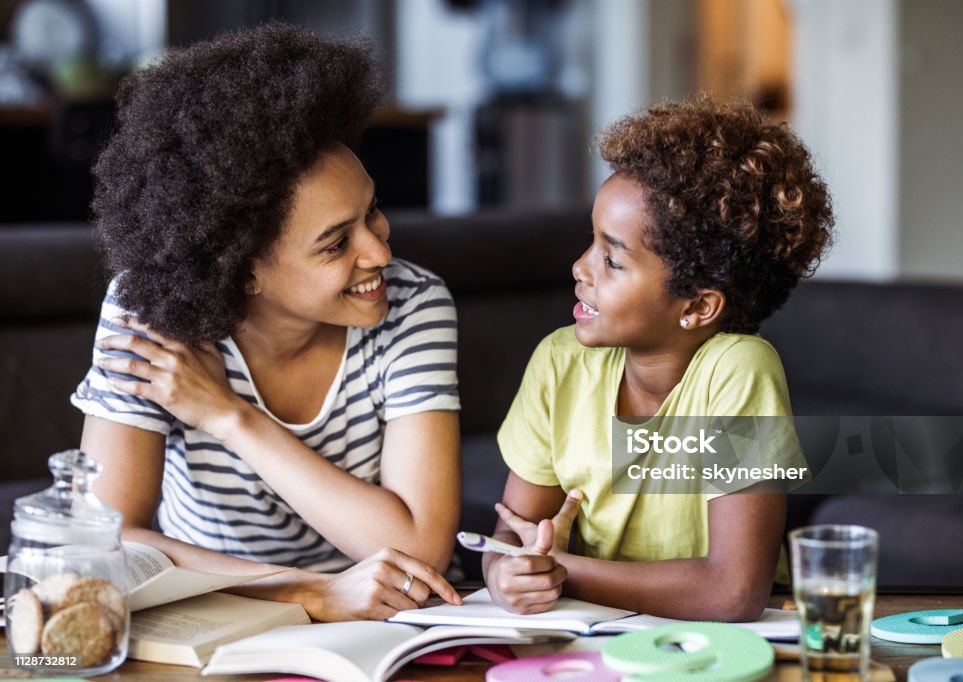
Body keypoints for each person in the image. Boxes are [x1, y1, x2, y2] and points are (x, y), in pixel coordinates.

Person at [71, 23, 463, 622]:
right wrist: (308, 591)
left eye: (372, 211)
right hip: (216, 613)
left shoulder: (414, 304)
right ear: (243, 271)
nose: (380, 253)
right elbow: (104, 537)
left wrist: (233, 418)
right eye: (336, 244)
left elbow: (418, 550)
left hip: (389, 620)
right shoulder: (149, 314)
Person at [484, 96, 834, 621]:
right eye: (590, 242)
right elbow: (512, 532)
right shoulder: (559, 362)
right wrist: (505, 572)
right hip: (592, 637)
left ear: (696, 306)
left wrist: (564, 571)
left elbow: (733, 592)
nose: (580, 267)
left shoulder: (739, 369)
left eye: (612, 258)